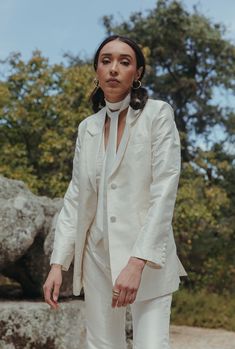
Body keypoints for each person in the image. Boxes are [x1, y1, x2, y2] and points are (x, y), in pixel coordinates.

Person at [43, 35, 187, 349]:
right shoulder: (87, 128)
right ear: (96, 70)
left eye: (124, 62)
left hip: (147, 258)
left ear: (137, 73)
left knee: (151, 345)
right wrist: (58, 264)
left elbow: (164, 191)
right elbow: (77, 196)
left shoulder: (157, 115)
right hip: (97, 258)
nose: (113, 68)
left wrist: (136, 264)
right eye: (106, 60)